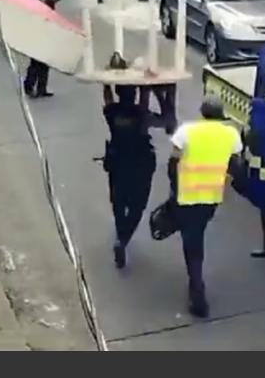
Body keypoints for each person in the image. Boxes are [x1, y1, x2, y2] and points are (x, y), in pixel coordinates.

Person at [168, 95, 243, 318]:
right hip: (211, 198)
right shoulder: (231, 134)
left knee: (191, 241)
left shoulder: (186, 131)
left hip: (187, 196)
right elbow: (236, 166)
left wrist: (174, 188)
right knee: (195, 235)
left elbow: (173, 162)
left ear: (202, 113)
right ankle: (195, 283)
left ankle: (197, 289)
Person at [103, 85, 162, 268]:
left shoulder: (112, 112)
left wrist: (105, 83)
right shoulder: (140, 113)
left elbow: (107, 99)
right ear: (134, 94)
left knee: (118, 203)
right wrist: (151, 91)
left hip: (118, 163)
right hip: (140, 165)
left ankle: (120, 236)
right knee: (137, 207)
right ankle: (123, 240)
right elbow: (162, 119)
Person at [23, 0, 61, 98]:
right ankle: (29, 86)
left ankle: (41, 88)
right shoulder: (38, 7)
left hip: (46, 36)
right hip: (38, 37)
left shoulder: (47, 6)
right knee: (36, 64)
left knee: (44, 64)